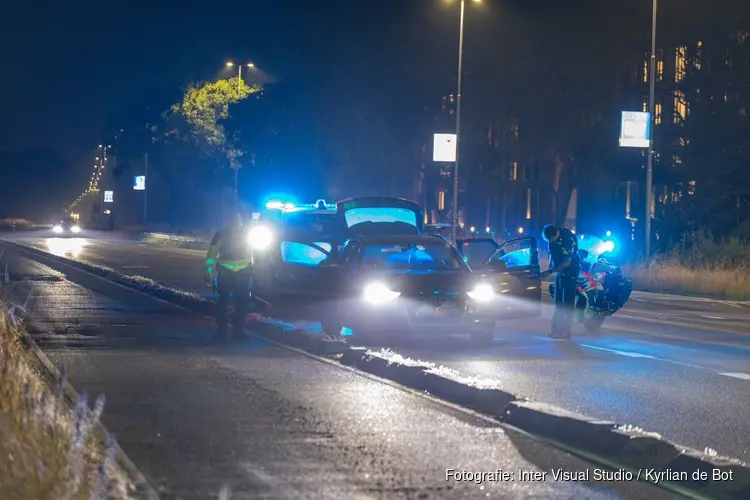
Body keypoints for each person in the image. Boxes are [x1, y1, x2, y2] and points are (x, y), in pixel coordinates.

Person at [206, 213, 252, 340]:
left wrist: (208, 270)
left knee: (225, 302)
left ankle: (224, 332)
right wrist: (208, 269)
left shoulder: (223, 233)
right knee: (238, 302)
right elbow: (213, 253)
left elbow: (212, 253)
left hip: (230, 272)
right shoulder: (246, 234)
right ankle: (234, 332)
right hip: (236, 272)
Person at [541, 224, 581, 339]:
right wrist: (550, 268)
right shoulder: (551, 240)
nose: (550, 242)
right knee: (557, 301)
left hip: (571, 272)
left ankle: (566, 330)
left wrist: (550, 271)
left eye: (550, 240)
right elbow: (552, 256)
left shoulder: (569, 239)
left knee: (567, 302)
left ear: (555, 235)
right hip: (559, 272)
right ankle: (556, 329)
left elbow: (566, 263)